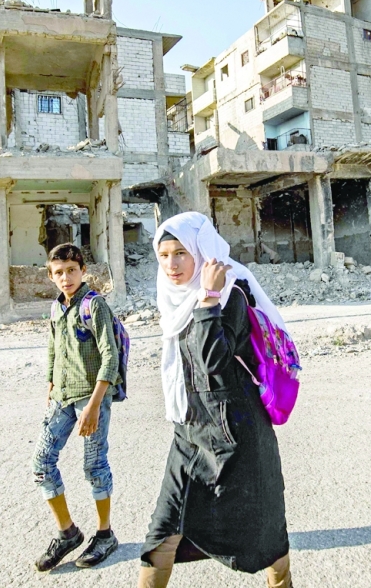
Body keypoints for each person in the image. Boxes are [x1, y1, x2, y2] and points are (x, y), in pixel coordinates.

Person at [138, 212, 292, 588]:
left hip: (236, 437)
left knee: (265, 535)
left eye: (180, 253)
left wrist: (207, 299)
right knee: (163, 532)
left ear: (201, 252)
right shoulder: (175, 299)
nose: (172, 265)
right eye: (163, 255)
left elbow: (213, 364)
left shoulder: (230, 292)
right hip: (189, 433)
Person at [32, 243, 121, 572]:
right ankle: (68, 532)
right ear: (51, 277)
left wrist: (94, 406)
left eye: (71, 270)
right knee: (41, 462)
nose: (66, 277)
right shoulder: (56, 307)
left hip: (92, 398)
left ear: (83, 271)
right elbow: (54, 346)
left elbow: (109, 356)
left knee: (94, 467)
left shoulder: (93, 305)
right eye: (59, 273)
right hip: (62, 398)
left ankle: (105, 534)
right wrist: (51, 384)